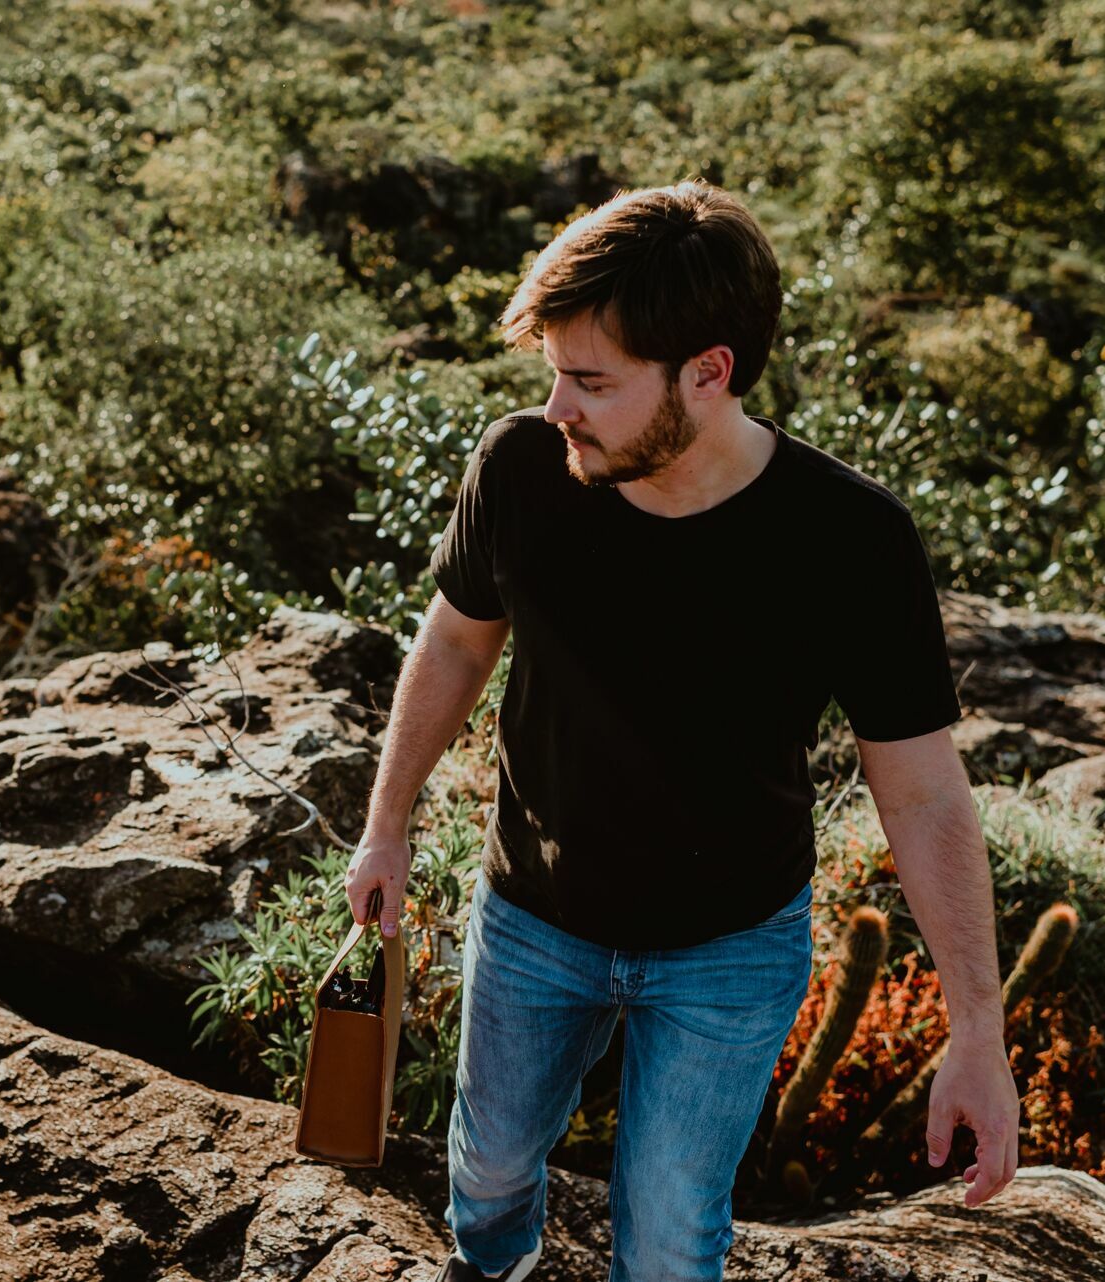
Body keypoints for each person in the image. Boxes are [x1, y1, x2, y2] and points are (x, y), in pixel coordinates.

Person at [342, 183, 1021, 1281]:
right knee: (493, 1167)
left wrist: (976, 1032)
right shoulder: (520, 469)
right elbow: (459, 642)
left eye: (593, 382)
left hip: (730, 949)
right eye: (554, 374)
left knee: (667, 1242)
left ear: (709, 371)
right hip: (534, 916)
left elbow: (925, 791)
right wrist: (386, 825)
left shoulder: (850, 539)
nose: (559, 407)